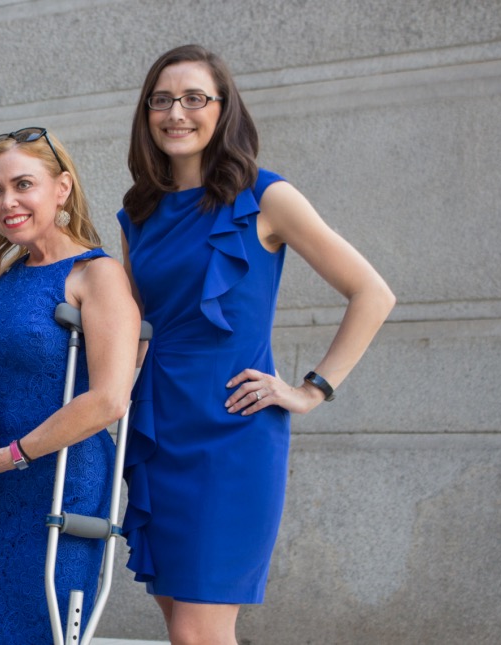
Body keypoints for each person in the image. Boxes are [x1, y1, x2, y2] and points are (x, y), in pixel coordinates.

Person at [117, 45, 396, 644]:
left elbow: (373, 294)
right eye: (161, 100)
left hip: (233, 435)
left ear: (224, 110)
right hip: (161, 427)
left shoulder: (268, 198)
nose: (176, 113)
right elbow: (138, 324)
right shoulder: (136, 213)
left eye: (195, 98)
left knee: (200, 632)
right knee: (179, 624)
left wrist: (311, 390)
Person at [0, 127, 139, 643]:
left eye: (23, 184)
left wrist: (8, 457)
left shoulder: (97, 275)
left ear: (62, 188)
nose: (7, 202)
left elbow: (110, 399)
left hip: (60, 487)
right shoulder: (9, 274)